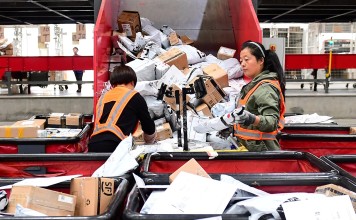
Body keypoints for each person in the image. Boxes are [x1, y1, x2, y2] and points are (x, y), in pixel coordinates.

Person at [194, 40, 285, 151]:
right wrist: (233, 128)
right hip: (253, 149)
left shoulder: (265, 88)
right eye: (241, 60)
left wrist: (251, 119)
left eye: (247, 60)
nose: (242, 64)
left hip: (263, 152)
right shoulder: (254, 85)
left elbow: (272, 122)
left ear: (261, 60)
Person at [88, 65, 157, 152]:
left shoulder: (103, 97)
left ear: (113, 84)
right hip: (114, 146)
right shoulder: (134, 96)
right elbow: (148, 127)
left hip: (93, 145)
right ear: (132, 82)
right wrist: (150, 142)